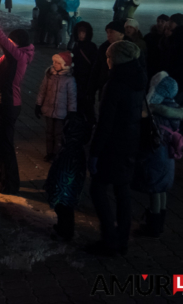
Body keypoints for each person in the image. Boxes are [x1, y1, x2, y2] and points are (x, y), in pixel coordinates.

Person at [87, 40, 144, 256]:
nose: (107, 61)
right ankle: (122, 240)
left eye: (109, 58)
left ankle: (109, 238)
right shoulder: (138, 78)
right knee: (122, 191)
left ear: (117, 59)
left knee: (98, 188)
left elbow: (106, 123)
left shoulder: (115, 84)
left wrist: (94, 152)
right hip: (131, 142)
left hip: (113, 145)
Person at [0, 16, 35, 194]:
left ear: (17, 43)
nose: (7, 45)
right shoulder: (10, 58)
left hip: (7, 104)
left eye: (12, 42)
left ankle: (10, 184)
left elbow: (2, 40)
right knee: (1, 144)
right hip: (0, 103)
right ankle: (0, 174)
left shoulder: (18, 56)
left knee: (6, 145)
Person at [132, 74, 179, 238]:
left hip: (157, 155)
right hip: (168, 155)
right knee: (162, 189)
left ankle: (153, 225)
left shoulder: (156, 110)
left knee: (155, 190)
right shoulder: (174, 107)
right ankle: (159, 222)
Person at [44, 114, 88, 242]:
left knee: (64, 209)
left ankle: (65, 231)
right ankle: (65, 229)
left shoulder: (69, 153)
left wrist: (53, 184)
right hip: (67, 189)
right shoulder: (76, 152)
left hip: (64, 189)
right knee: (65, 208)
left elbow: (61, 171)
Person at [35, 51, 77, 162]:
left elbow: (72, 97)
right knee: (49, 132)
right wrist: (38, 104)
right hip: (48, 109)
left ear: (64, 65)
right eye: (54, 62)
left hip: (61, 112)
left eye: (58, 63)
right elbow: (42, 91)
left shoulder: (69, 79)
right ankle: (49, 152)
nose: (55, 64)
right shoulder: (49, 76)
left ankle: (57, 153)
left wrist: (72, 111)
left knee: (58, 133)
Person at [87, 20, 126, 104]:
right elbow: (97, 68)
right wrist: (91, 89)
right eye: (107, 32)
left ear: (121, 34)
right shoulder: (104, 48)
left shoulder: (131, 50)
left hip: (124, 92)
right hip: (105, 88)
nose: (108, 35)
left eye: (111, 32)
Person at [71, 21, 97, 122]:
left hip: (87, 80)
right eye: (79, 32)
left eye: (83, 32)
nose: (81, 34)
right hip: (76, 79)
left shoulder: (91, 46)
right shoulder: (76, 45)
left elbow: (94, 65)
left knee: (87, 103)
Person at [163, 13, 183, 102]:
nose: (168, 24)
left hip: (177, 72)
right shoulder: (176, 35)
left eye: (171, 21)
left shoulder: (178, 36)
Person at [144, 14, 170, 80]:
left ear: (167, 23)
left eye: (162, 22)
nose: (159, 23)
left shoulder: (168, 38)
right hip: (150, 65)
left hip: (163, 66)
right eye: (158, 21)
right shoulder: (149, 37)